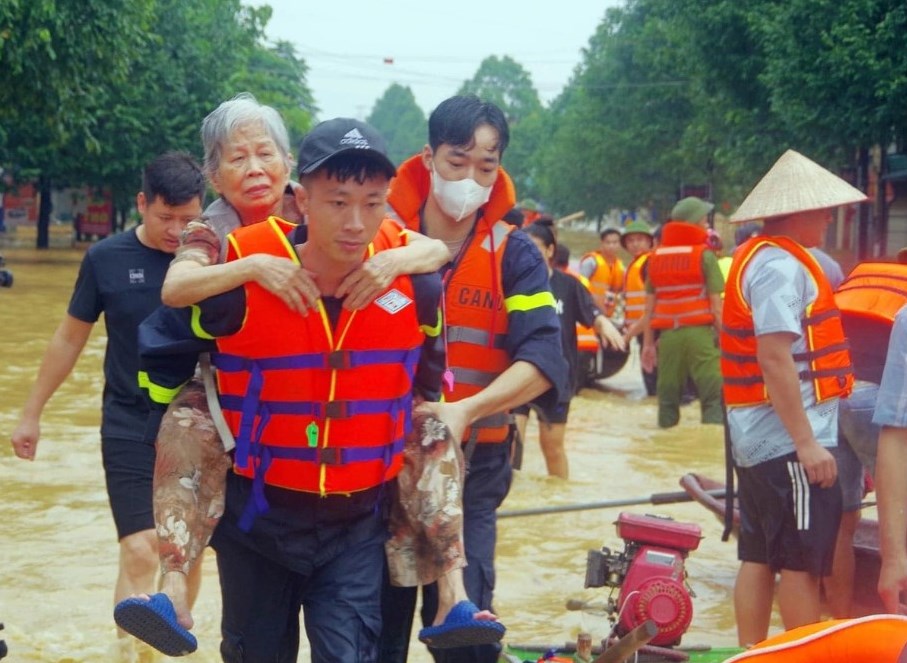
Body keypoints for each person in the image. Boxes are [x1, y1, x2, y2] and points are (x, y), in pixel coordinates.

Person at [113, 96, 451, 655]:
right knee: (189, 425)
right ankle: (172, 589)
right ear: (213, 173)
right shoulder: (213, 230)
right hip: (233, 404)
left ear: (289, 167)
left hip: (347, 496)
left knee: (429, 428)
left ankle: (453, 593)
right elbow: (175, 288)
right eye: (236, 158)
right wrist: (253, 267)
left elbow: (433, 248)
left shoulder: (350, 207)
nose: (253, 170)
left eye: (264, 154)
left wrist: (395, 263)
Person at [382, 94, 568, 663]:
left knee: (468, 640)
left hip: (477, 468)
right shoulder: (377, 240)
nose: (470, 177)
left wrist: (465, 410)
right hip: (376, 471)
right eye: (457, 161)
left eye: (486, 166)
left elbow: (546, 363)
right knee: (374, 637)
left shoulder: (515, 254)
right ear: (428, 156)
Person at [10, 152, 206, 654]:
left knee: (183, 556)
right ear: (142, 203)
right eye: (166, 217)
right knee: (142, 550)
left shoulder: (211, 263)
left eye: (189, 219)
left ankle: (152, 647)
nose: (177, 230)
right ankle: (130, 652)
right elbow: (68, 339)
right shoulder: (106, 259)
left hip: (197, 424)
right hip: (126, 418)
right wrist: (31, 413)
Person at [721, 149, 864, 646]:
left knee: (759, 557)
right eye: (823, 209)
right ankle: (798, 656)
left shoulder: (757, 258)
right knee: (801, 566)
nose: (829, 217)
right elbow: (775, 358)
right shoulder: (782, 266)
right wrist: (807, 443)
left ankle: (750, 653)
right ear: (797, 211)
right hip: (785, 445)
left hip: (755, 439)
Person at [513, 221, 625, 478]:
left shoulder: (568, 285)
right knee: (510, 445)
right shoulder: (512, 282)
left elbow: (592, 313)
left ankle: (559, 490)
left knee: (552, 447)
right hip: (517, 373)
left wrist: (604, 325)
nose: (529, 253)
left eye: (536, 247)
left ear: (550, 251)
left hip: (556, 377)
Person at [829, 259, 907, 617]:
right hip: (877, 398)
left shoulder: (861, 274)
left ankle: (842, 618)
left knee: (841, 519)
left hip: (831, 393)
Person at [636, 197, 724, 428]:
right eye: (704, 219)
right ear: (692, 222)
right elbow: (717, 307)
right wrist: (727, 339)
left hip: (668, 338)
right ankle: (709, 449)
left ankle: (665, 447)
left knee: (667, 397)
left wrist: (647, 345)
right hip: (701, 336)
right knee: (712, 395)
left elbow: (649, 309)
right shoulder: (705, 256)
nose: (707, 224)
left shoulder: (655, 258)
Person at [619, 220, 656, 396]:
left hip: (651, 331)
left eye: (640, 239)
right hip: (641, 330)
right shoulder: (635, 265)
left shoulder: (648, 264)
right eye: (631, 240)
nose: (635, 244)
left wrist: (628, 335)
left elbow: (652, 306)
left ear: (650, 241)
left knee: (653, 382)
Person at [579, 226, 624, 319]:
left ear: (620, 244)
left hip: (610, 314)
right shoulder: (591, 262)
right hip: (590, 311)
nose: (611, 246)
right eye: (608, 242)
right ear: (601, 244)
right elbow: (579, 287)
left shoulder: (620, 266)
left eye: (615, 242)